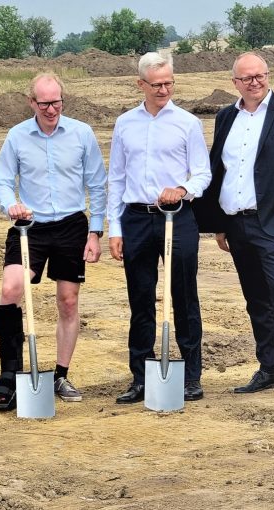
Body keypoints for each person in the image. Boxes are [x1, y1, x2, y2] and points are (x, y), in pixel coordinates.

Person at [193, 52, 274, 406]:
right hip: (236, 225)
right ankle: (268, 370)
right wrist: (218, 225)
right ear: (234, 82)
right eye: (247, 77)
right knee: (256, 300)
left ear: (268, 76)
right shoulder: (225, 117)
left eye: (260, 75)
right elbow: (218, 170)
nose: (254, 82)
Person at [0, 72, 107, 411]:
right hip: (29, 226)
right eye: (44, 104)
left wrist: (95, 232)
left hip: (71, 226)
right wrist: (10, 204)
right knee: (10, 290)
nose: (51, 109)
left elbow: (97, 184)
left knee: (68, 302)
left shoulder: (82, 134)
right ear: (31, 103)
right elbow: (3, 181)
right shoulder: (17, 136)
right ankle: (9, 375)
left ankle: (61, 375)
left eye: (56, 102)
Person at [107, 52, 211, 404]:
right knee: (140, 299)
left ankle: (191, 377)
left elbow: (202, 172)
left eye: (169, 82)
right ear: (141, 84)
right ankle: (141, 377)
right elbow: (116, 177)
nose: (164, 89)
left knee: (183, 297)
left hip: (177, 217)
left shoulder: (187, 123)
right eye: (157, 84)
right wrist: (114, 227)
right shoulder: (125, 123)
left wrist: (182, 189)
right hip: (136, 218)